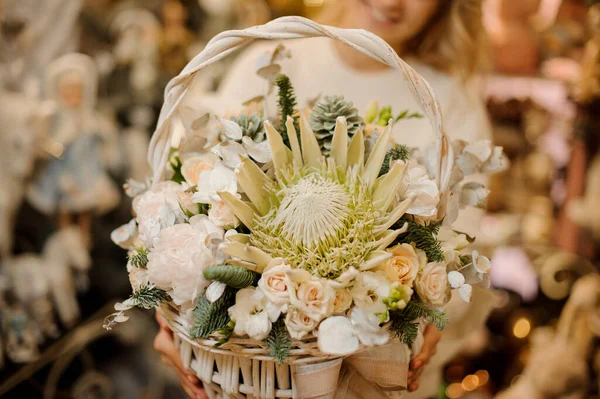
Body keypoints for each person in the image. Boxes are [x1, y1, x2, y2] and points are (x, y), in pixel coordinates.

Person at [154, 0, 494, 397]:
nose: (390, 2)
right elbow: (191, 195)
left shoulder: (450, 102)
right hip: (252, 379)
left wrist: (436, 315)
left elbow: (464, 253)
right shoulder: (270, 61)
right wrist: (171, 328)